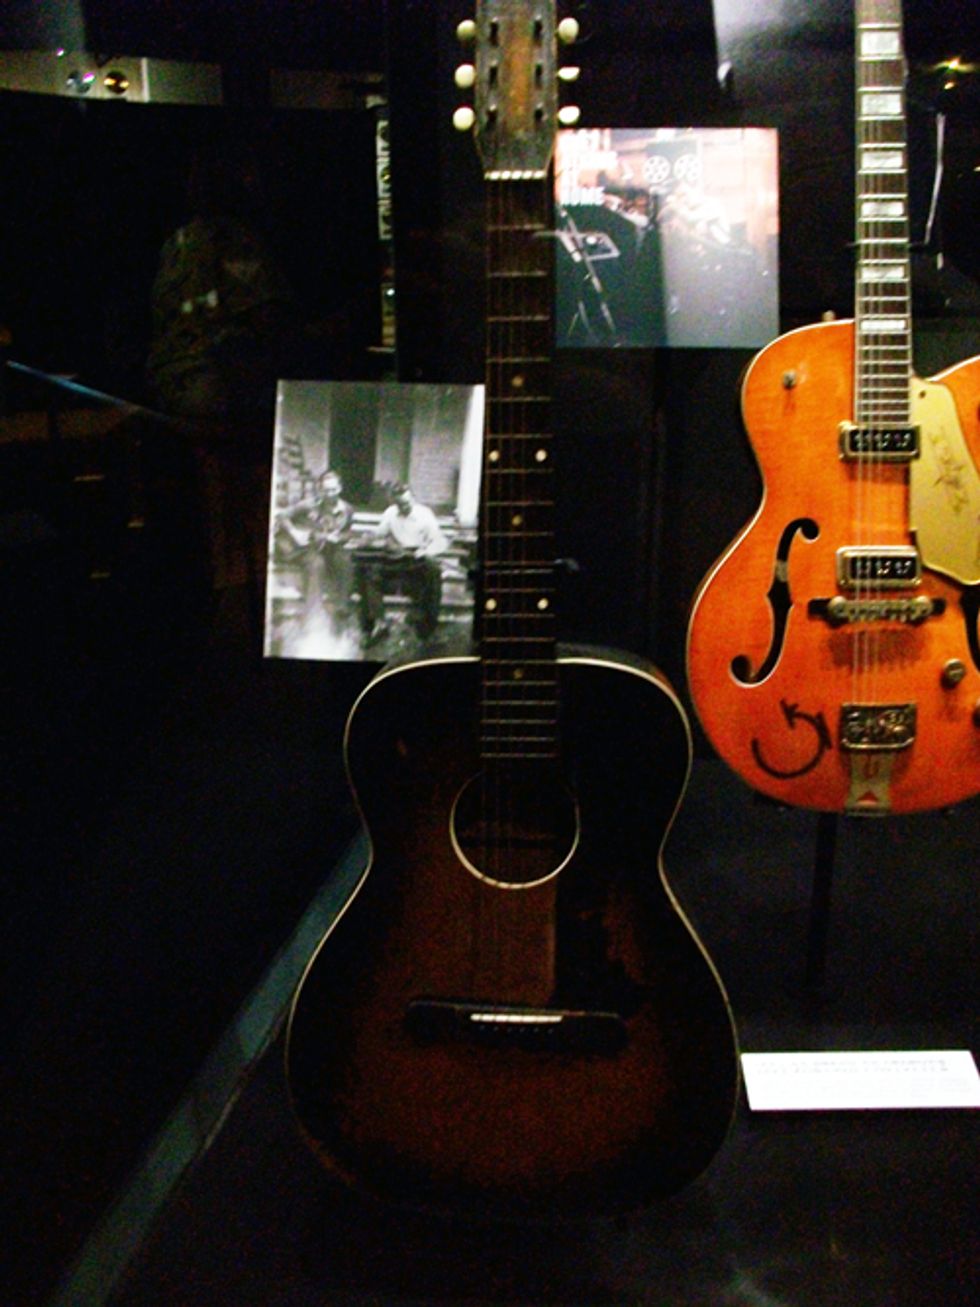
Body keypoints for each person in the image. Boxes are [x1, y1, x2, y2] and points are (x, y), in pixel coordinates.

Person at [355, 483, 448, 647]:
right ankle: (379, 624)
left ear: (413, 498)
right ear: (394, 502)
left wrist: (426, 551)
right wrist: (369, 538)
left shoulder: (425, 514)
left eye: (407, 503)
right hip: (396, 559)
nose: (404, 507)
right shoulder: (390, 513)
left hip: (417, 559)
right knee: (369, 573)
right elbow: (380, 533)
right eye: (400, 504)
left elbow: (439, 540)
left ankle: (429, 629)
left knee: (434, 571)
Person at [276, 470, 355, 618]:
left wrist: (341, 537)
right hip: (309, 549)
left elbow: (347, 532)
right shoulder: (308, 505)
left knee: (344, 560)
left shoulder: (347, 510)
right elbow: (282, 516)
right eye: (326, 490)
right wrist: (294, 532)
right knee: (316, 563)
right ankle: (312, 610)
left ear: (340, 488)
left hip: (330, 548)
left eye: (333, 489)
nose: (330, 493)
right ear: (320, 489)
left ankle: (342, 606)